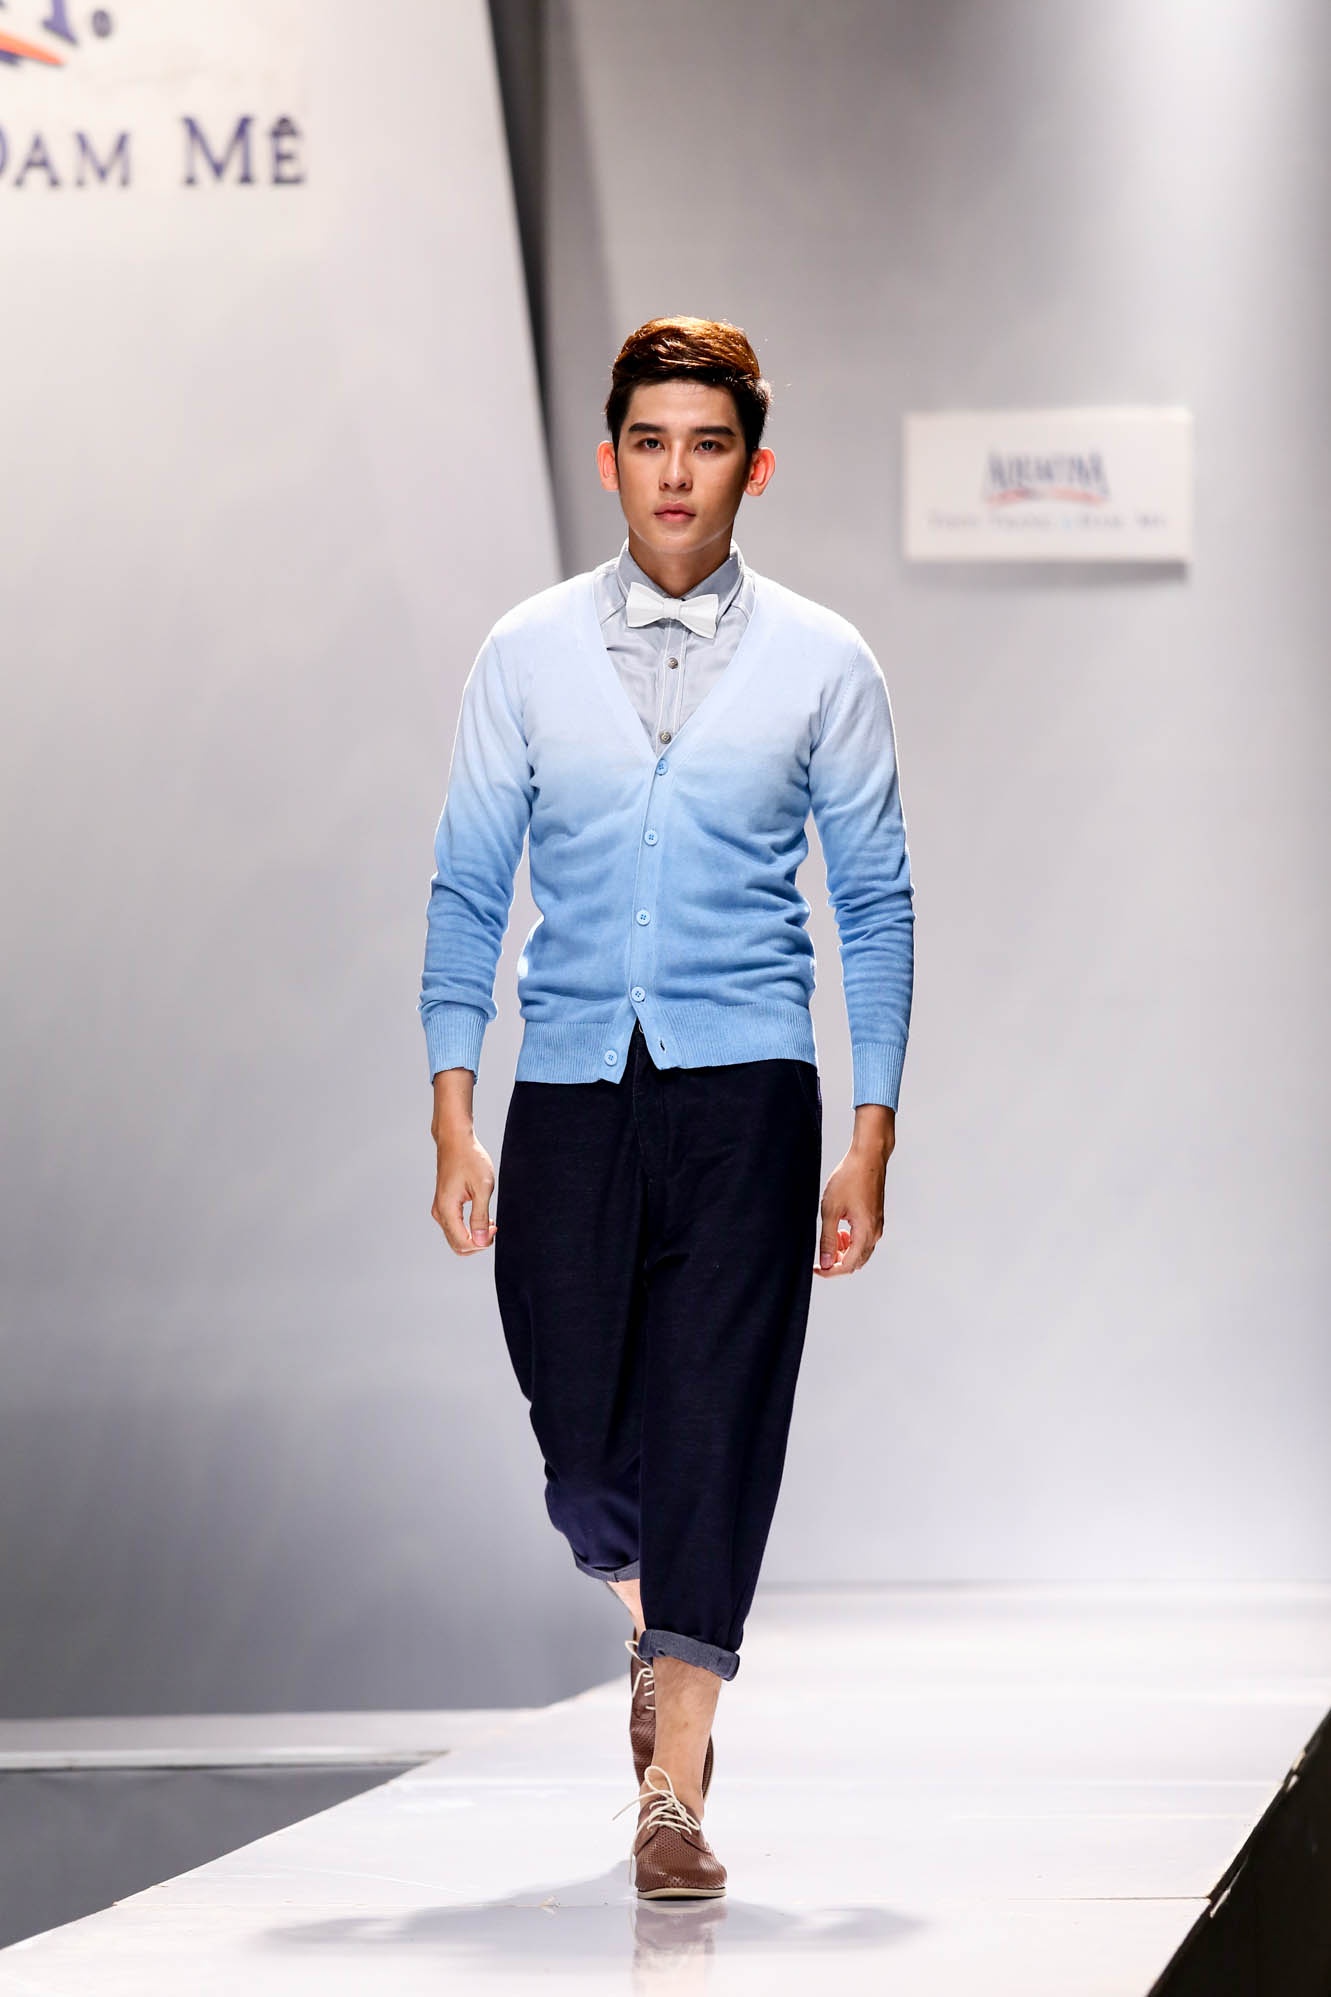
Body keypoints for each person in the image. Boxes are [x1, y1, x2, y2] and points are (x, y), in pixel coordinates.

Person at [419, 315, 914, 1898]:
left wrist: (870, 1131)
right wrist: (451, 1105)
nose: (677, 473)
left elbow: (876, 903)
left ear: (753, 468)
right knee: (583, 1454)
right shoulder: (524, 655)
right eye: (651, 442)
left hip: (751, 1090)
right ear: (611, 460)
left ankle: (674, 1788)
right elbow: (468, 884)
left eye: (708, 444)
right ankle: (650, 1612)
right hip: (570, 1085)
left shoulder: (825, 661)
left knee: (719, 1416)